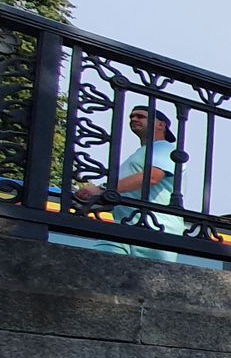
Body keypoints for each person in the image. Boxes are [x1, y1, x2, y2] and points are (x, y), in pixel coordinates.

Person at [72, 105, 183, 261]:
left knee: (153, 281)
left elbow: (153, 177)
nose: (134, 119)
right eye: (132, 117)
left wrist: (102, 190)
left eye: (140, 116)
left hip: (157, 227)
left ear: (161, 125)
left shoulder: (165, 148)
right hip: (125, 226)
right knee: (96, 264)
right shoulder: (138, 155)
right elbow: (123, 193)